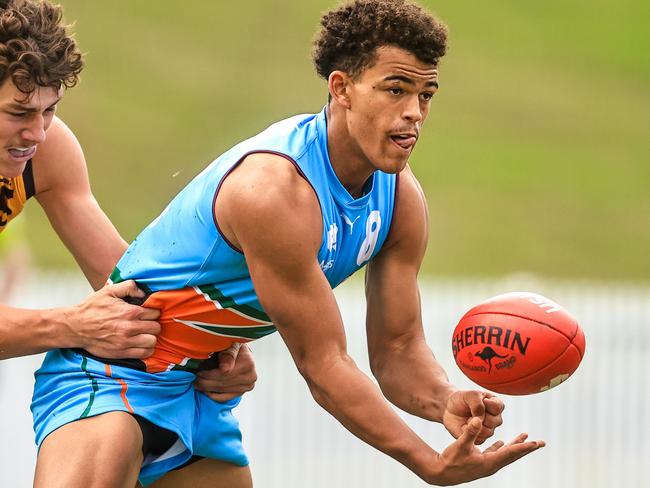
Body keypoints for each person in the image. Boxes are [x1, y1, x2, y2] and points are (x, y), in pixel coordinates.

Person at [32, 0, 545, 486]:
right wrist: (426, 462)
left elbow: (397, 349)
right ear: (341, 88)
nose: (414, 112)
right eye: (395, 90)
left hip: (203, 389)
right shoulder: (275, 191)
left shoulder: (400, 199)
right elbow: (323, 365)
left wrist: (445, 399)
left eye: (426, 95)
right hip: (108, 375)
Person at [0, 0, 256, 473]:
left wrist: (214, 347)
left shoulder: (48, 151)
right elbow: (84, 321)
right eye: (19, 112)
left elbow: (133, 287)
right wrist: (70, 324)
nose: (36, 132)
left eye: (49, 110)